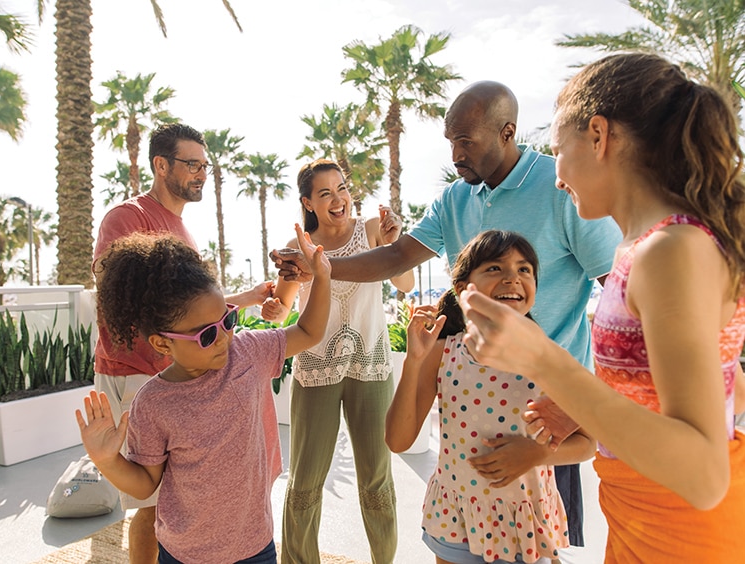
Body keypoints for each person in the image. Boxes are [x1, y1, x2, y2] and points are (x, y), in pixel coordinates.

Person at [272, 81, 623, 548]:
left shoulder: (560, 188)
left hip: (545, 411)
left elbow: (617, 297)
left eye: (465, 142)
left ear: (507, 132)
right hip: (471, 412)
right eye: (450, 141)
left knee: (538, 542)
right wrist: (323, 267)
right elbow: (397, 257)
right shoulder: (455, 198)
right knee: (464, 544)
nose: (455, 154)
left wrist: (592, 397)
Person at [457, 53, 745, 562]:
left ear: (598, 135)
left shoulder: (670, 250)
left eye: (557, 151)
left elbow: (703, 475)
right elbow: (726, 384)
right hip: (641, 523)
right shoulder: (645, 247)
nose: (557, 176)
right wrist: (584, 402)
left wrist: (545, 361)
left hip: (682, 536)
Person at [77, 226, 330, 563]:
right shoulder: (153, 403)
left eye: (227, 320)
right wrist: (108, 460)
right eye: (207, 335)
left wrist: (323, 278)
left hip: (255, 545)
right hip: (184, 554)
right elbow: (145, 485)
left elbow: (309, 332)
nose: (225, 337)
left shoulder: (249, 351)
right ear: (162, 342)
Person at [92, 123, 274, 564]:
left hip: (171, 374)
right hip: (136, 373)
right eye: (191, 164)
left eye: (204, 165)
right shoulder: (128, 218)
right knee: (148, 504)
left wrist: (247, 299)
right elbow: (122, 298)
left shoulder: (181, 230)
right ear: (160, 164)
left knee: (172, 497)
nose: (201, 173)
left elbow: (190, 315)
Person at [386, 230, 594, 564]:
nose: (513, 278)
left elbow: (587, 444)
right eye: (495, 268)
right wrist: (413, 361)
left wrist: (536, 453)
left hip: (525, 524)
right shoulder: (442, 354)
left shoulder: (549, 361)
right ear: (462, 289)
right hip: (457, 518)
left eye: (524, 269)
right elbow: (398, 440)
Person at [261, 159, 414, 564]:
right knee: (306, 481)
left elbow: (405, 283)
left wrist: (392, 243)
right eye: (325, 193)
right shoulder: (298, 248)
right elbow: (285, 307)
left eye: (342, 188)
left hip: (371, 367)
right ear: (308, 203)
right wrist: (273, 311)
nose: (338, 198)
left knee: (377, 481)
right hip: (316, 370)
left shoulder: (372, 231)